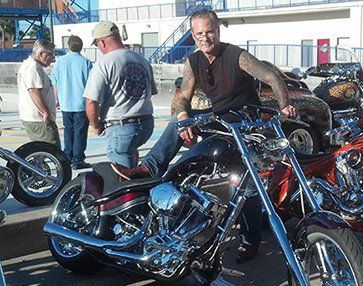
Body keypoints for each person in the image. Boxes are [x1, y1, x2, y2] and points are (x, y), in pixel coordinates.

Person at [112, 9, 295, 263]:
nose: (205, 37)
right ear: (193, 35)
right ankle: (148, 170)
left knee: (249, 186)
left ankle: (250, 240)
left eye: (210, 31)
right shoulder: (193, 62)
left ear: (218, 31)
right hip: (218, 120)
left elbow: (272, 77)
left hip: (245, 124)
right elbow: (184, 97)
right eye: (199, 33)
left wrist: (284, 105)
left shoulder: (237, 56)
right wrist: (184, 116)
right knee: (178, 122)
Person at [84, 21, 156, 168]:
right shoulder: (142, 60)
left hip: (121, 126)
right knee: (132, 155)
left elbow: (91, 102)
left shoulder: (104, 63)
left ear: (102, 42)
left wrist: (96, 125)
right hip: (146, 123)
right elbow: (151, 92)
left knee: (122, 175)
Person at [51, 35, 93, 170]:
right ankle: (78, 159)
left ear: (68, 46)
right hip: (81, 103)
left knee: (68, 131)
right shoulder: (86, 63)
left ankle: (68, 156)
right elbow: (91, 85)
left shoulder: (59, 62)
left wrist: (56, 99)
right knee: (80, 132)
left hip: (65, 103)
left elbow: (54, 83)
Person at [17, 39, 60, 148]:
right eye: (51, 54)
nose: (53, 58)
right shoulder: (33, 67)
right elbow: (33, 90)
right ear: (41, 54)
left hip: (33, 117)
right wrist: (45, 111)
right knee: (53, 150)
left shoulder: (29, 64)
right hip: (39, 119)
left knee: (41, 150)